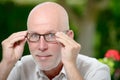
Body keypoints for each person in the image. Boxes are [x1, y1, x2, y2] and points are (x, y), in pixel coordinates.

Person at [0, 2, 111, 80]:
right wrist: (6, 63)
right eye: (34, 35)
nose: (42, 46)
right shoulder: (19, 69)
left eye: (51, 35)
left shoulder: (96, 70)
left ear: (69, 37)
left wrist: (70, 65)